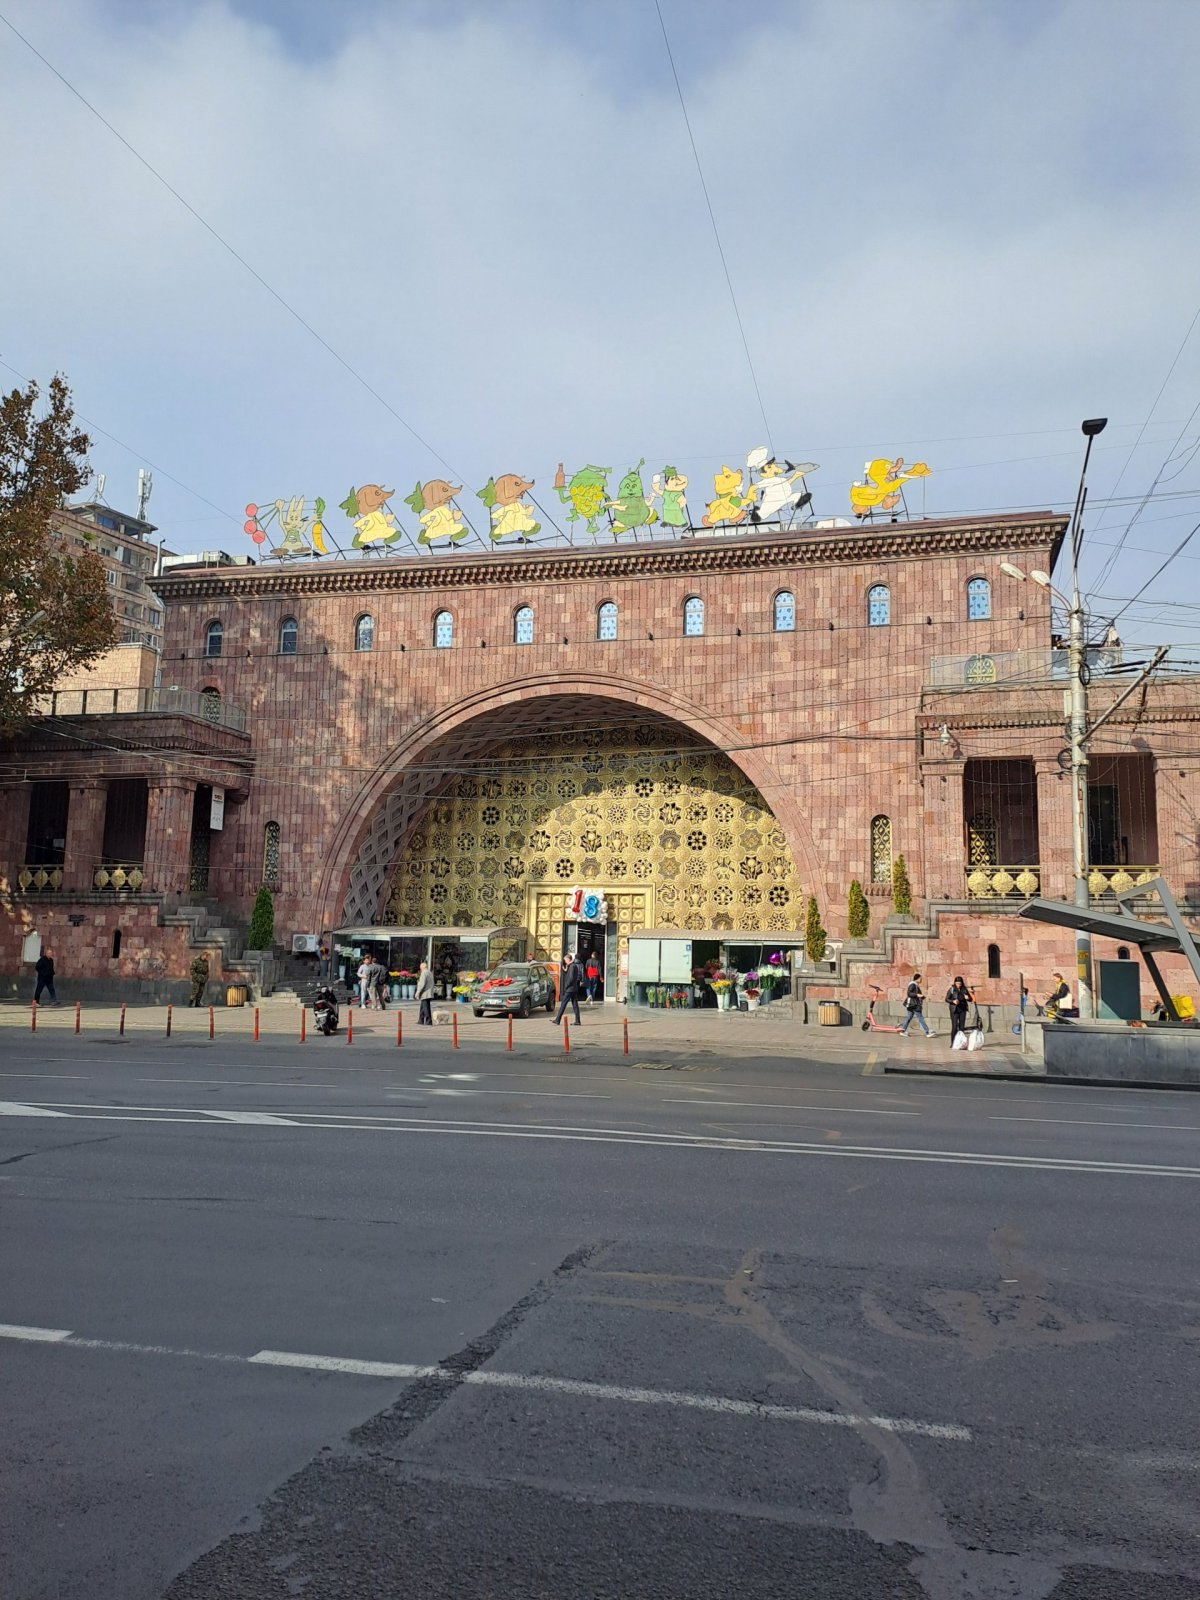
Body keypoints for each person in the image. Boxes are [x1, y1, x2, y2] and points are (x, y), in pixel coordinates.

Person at [554, 953, 585, 1026]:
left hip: (570, 989)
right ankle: (577, 1021)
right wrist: (565, 971)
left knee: (563, 1004)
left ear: (568, 959)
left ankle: (557, 1019)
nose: (565, 962)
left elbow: (571, 978)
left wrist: (566, 986)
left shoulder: (572, 966)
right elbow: (571, 976)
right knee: (575, 1005)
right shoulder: (573, 966)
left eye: (565, 960)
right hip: (574, 988)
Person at [899, 971, 931, 1036]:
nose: (921, 980)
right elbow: (909, 993)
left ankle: (902, 1030)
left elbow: (918, 994)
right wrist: (917, 995)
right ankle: (927, 1032)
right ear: (917, 978)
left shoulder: (915, 985)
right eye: (920, 978)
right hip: (914, 1004)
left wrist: (922, 996)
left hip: (912, 1004)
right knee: (920, 1017)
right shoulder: (913, 984)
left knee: (909, 1017)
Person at [944, 975, 973, 1043]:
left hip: (962, 1009)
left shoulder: (964, 989)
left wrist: (968, 998)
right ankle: (953, 1042)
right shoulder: (952, 989)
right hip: (954, 1010)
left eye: (960, 983)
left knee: (961, 1027)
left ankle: (960, 1042)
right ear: (955, 983)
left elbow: (970, 999)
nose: (959, 985)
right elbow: (946, 999)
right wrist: (953, 1001)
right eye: (957, 983)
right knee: (954, 1026)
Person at [415, 959, 434, 1026]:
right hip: (429, 993)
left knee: (425, 1008)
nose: (420, 970)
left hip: (425, 993)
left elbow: (422, 984)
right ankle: (421, 1020)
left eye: (420, 968)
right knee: (423, 1007)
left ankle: (429, 1021)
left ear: (422, 968)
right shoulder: (429, 972)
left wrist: (417, 993)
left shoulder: (424, 973)